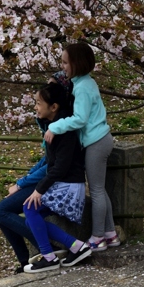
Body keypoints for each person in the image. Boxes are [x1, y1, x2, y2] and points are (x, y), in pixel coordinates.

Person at [44, 41, 120, 251]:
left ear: (77, 63)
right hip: (100, 139)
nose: (63, 66)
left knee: (96, 191)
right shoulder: (84, 82)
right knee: (100, 190)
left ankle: (97, 237)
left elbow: (80, 119)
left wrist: (55, 127)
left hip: (96, 142)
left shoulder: (83, 87)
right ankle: (110, 233)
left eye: (66, 62)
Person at [22, 81, 92, 273]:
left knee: (29, 207)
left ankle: (49, 257)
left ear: (54, 107)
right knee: (31, 218)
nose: (35, 107)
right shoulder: (54, 127)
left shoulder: (63, 131)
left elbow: (60, 167)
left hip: (69, 185)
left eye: (38, 103)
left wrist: (39, 190)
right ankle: (76, 246)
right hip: (64, 183)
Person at [0, 121, 49, 272]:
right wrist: (24, 179)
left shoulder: (60, 128)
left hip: (53, 184)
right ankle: (24, 261)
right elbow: (45, 160)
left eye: (38, 103)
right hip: (42, 181)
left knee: (1, 211)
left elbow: (51, 167)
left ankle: (47, 247)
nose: (35, 107)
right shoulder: (51, 125)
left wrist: (21, 184)